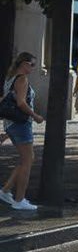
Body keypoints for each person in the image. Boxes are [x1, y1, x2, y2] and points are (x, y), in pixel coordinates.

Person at [0, 52, 46, 211]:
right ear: (24, 64)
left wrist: (6, 133)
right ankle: (19, 199)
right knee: (28, 160)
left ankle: (6, 190)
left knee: (25, 159)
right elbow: (20, 103)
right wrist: (35, 116)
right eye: (32, 64)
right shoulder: (22, 79)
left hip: (11, 124)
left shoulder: (10, 78)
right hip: (21, 124)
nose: (33, 68)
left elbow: (8, 101)